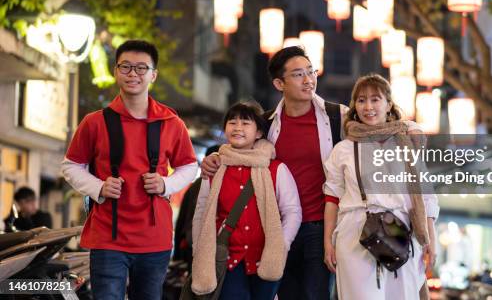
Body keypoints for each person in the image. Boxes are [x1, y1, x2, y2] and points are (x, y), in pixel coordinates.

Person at [201, 46, 348, 300]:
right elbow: (241, 152)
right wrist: (215, 158)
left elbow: (377, 125)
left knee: (317, 295)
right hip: (276, 228)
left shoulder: (338, 117)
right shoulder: (267, 124)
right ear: (279, 83)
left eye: (311, 72)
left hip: (321, 228)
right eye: (299, 74)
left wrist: (409, 127)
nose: (309, 79)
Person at [61, 40, 198, 300]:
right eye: (125, 67)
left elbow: (189, 166)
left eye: (141, 68)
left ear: (153, 75)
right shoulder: (94, 122)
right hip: (107, 238)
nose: (133, 74)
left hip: (154, 237)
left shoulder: (171, 122)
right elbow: (71, 166)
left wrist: (165, 184)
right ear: (115, 71)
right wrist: (99, 187)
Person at [322, 74, 439, 299]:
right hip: (355, 232)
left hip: (401, 232)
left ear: (388, 105)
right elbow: (332, 197)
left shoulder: (407, 143)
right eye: (361, 100)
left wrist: (430, 241)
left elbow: (426, 196)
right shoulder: (343, 149)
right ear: (354, 107)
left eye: (375, 99)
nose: (368, 107)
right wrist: (329, 241)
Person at [191, 102, 302, 299]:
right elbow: (202, 212)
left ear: (259, 132)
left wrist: (281, 245)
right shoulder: (215, 168)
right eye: (232, 122)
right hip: (228, 261)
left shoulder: (276, 169)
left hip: (267, 260)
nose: (238, 128)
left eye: (245, 123)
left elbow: (292, 211)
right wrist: (199, 252)